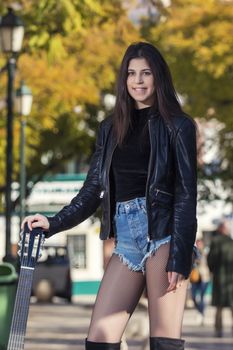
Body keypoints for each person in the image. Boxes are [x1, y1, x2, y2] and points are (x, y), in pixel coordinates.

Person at [22, 42, 197, 350]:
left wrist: (180, 256)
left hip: (164, 236)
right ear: (123, 79)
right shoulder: (110, 128)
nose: (138, 81)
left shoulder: (179, 126)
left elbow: (185, 195)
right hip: (126, 238)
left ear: (158, 77)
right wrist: (53, 222)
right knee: (100, 338)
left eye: (146, 73)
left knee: (164, 343)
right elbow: (92, 191)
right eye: (131, 73)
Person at [207, 219, 233, 337]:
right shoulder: (231, 242)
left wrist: (213, 271)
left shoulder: (215, 241)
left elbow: (210, 259)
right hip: (230, 280)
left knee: (219, 306)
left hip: (219, 279)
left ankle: (218, 330)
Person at [190, 238, 210, 325]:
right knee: (193, 296)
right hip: (194, 277)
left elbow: (209, 264)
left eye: (200, 243)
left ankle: (201, 314)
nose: (199, 245)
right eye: (197, 243)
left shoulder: (206, 253)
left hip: (204, 277)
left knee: (202, 297)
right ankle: (200, 311)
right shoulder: (193, 252)